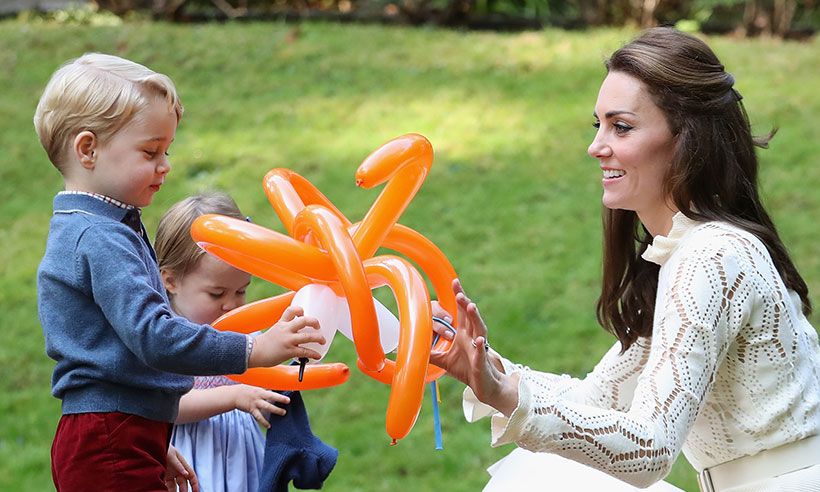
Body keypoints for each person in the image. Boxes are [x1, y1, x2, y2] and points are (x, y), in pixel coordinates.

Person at [430, 27, 820, 492]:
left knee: (541, 478)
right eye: (598, 125)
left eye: (622, 126)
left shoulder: (713, 255)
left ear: (684, 139)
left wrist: (505, 393)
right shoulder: (684, 254)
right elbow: (597, 401)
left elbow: (649, 448)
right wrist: (480, 364)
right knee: (544, 472)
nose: (597, 146)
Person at [33, 53, 326, 492]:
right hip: (109, 437)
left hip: (118, 433)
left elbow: (118, 359)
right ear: (88, 149)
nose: (165, 164)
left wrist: (154, 433)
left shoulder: (98, 226)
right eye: (150, 151)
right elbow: (153, 336)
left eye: (166, 150)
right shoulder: (99, 236)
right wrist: (254, 349)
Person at [155, 192, 291, 492]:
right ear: (170, 280)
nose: (231, 305)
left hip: (242, 454)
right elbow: (167, 405)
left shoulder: (243, 328)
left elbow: (264, 383)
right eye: (216, 294)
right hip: (187, 458)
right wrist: (234, 397)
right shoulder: (163, 336)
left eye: (241, 291)